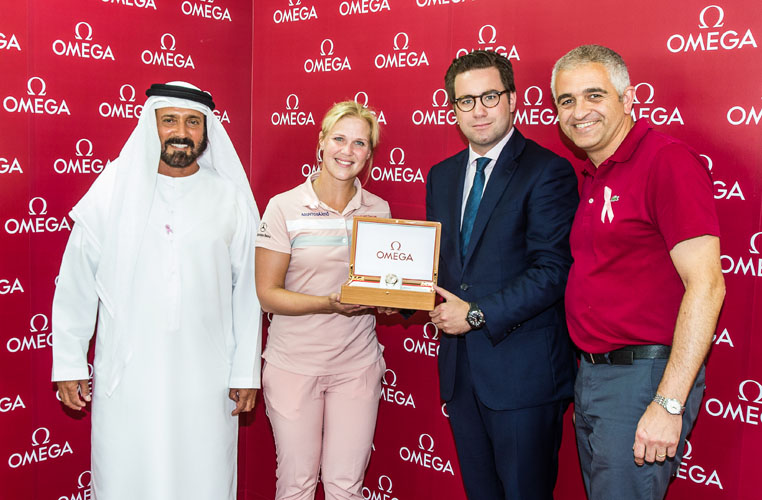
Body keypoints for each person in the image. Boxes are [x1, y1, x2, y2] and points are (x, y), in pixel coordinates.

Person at [51, 82, 262, 500]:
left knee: (204, 476)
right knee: (127, 475)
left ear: (206, 131)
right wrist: (70, 361)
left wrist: (244, 371)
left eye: (192, 122)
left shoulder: (230, 198)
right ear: (152, 125)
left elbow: (248, 294)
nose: (180, 131)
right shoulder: (112, 190)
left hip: (207, 377)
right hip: (128, 375)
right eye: (169, 120)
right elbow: (76, 280)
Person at [551, 44, 726, 500]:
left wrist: (668, 403)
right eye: (566, 101)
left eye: (594, 95)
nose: (579, 111)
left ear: (628, 100)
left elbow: (707, 285)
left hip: (643, 381)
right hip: (592, 376)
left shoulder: (665, 161)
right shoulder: (595, 174)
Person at [426, 49, 579, 499]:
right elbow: (440, 267)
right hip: (461, 373)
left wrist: (475, 315)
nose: (478, 110)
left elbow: (552, 271)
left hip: (523, 377)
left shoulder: (547, 171)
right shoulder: (442, 176)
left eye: (489, 96)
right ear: (453, 109)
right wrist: (391, 287)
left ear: (513, 99)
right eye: (465, 101)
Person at [255, 100, 390, 500]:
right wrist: (327, 303)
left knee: (345, 486)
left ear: (369, 154)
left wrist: (390, 298)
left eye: (360, 144)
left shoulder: (378, 211)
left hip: (357, 366)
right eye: (339, 139)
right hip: (293, 366)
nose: (347, 152)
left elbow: (382, 284)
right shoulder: (284, 207)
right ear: (321, 142)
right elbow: (267, 294)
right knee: (296, 485)